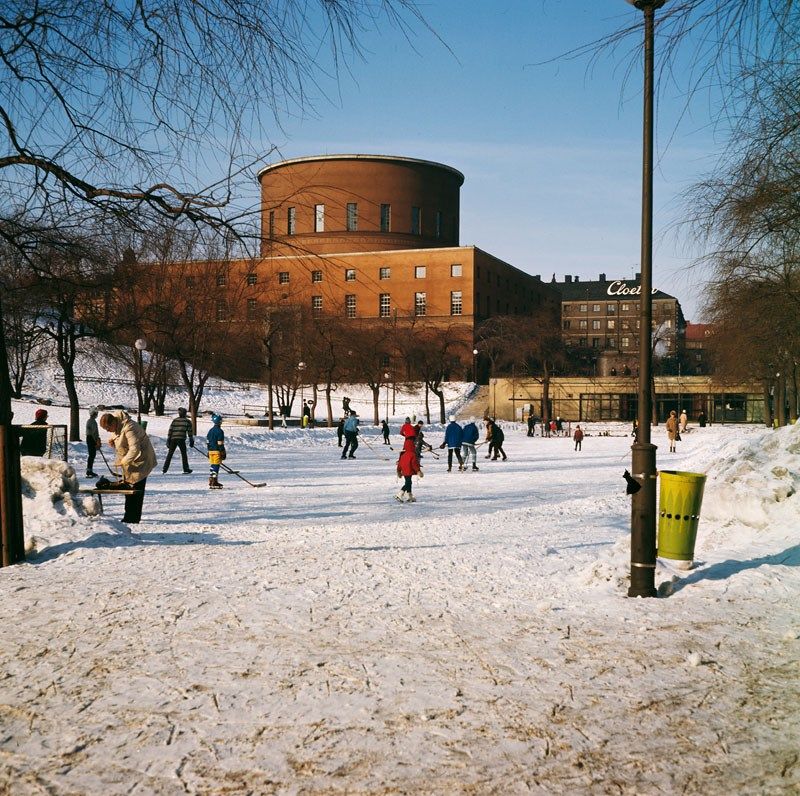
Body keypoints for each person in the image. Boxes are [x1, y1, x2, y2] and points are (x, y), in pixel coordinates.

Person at [99, 410, 157, 523]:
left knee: (136, 488)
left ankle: (133, 518)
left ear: (113, 423)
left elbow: (134, 449)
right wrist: (113, 440)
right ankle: (128, 515)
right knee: (128, 487)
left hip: (142, 460)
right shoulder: (117, 424)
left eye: (108, 428)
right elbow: (118, 436)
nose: (108, 431)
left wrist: (123, 462)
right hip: (131, 462)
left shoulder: (130, 428)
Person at [163, 407, 194, 474]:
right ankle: (186, 468)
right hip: (181, 439)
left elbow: (170, 430)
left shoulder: (175, 420)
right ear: (185, 414)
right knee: (183, 454)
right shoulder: (187, 421)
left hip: (173, 439)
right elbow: (190, 431)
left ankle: (165, 468)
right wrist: (191, 439)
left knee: (170, 454)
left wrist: (168, 439)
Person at [207, 412, 226, 488]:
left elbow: (208, 442)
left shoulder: (210, 430)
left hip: (210, 450)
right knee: (216, 465)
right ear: (220, 422)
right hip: (217, 450)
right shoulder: (220, 431)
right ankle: (214, 481)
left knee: (212, 465)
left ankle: (211, 479)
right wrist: (222, 451)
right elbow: (220, 443)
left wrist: (208, 450)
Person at [85, 408, 101, 477]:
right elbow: (93, 433)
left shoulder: (91, 421)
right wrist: (96, 441)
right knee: (92, 455)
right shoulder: (92, 421)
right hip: (91, 438)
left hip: (90, 438)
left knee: (92, 455)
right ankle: (89, 471)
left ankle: (89, 470)